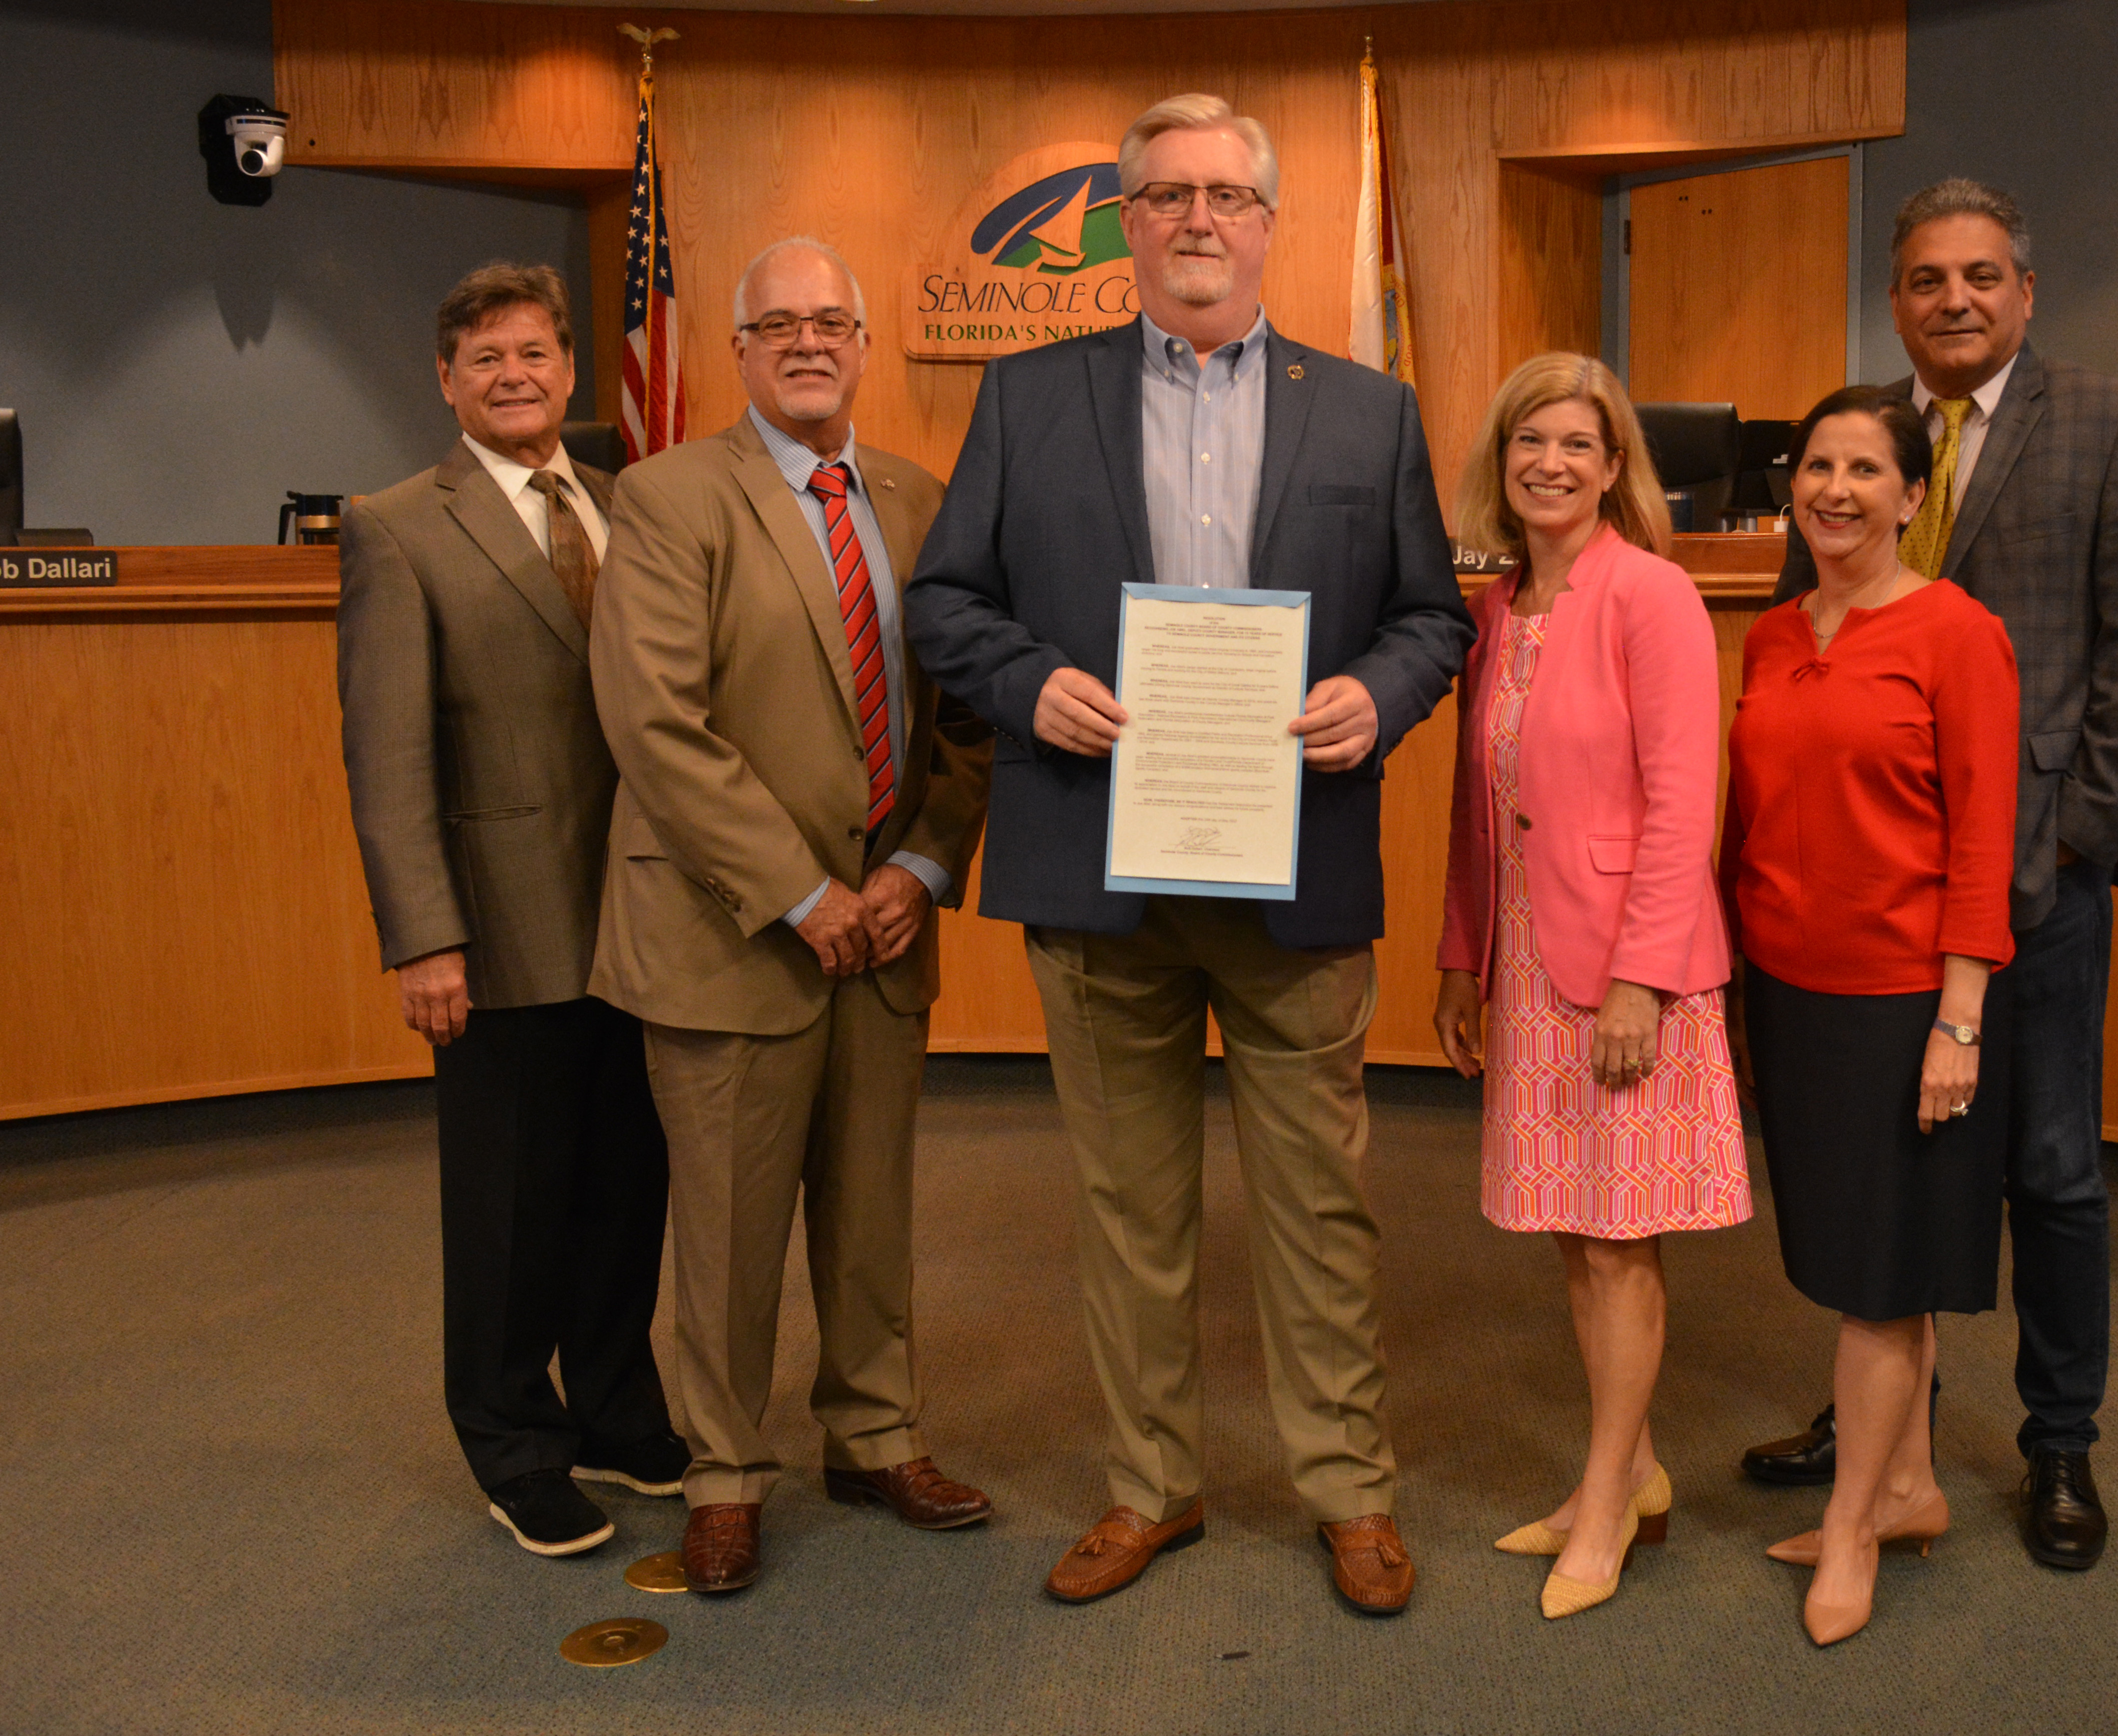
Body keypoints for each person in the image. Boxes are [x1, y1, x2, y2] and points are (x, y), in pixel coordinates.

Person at [907, 94, 1472, 1614]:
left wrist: (1382, 692)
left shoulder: (1370, 411)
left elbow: (1435, 616)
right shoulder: (1030, 399)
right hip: (1098, 868)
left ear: (1271, 225)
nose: (1199, 219)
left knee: (1320, 1209)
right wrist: (1030, 686)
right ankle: (1149, 1488)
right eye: (1166, 196)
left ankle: (1349, 1494)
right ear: (1129, 226)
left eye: (1227, 194)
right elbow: (944, 601)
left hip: (1297, 869)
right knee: (1130, 1211)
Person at [1742, 179, 2118, 1572]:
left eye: (1983, 276)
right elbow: (1808, 618)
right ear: (1898, 299)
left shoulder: (2116, 421)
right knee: (1894, 1161)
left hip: (2038, 888)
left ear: (2025, 290)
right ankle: (1882, 1429)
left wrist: (2062, 848)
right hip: (1879, 897)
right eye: (1929, 279)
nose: (1956, 299)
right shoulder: (1860, 438)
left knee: (2051, 1167)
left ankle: (2059, 1439)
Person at [588, 236, 996, 1594]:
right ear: (741, 352)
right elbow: (657, 724)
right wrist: (799, 889)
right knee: (728, 1234)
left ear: (865, 345)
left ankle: (874, 1435)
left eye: (834, 321)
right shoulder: (666, 497)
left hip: (885, 932)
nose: (810, 342)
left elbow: (964, 724)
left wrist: (918, 873)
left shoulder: (921, 499)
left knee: (873, 1214)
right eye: (782, 325)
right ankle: (723, 1473)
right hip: (732, 934)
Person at [337, 262, 686, 1558]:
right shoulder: (395, 525)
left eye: (534, 353)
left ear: (569, 372)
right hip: (497, 932)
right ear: (446, 380)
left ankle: (610, 1408)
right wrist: (424, 934)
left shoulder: (621, 506)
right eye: (485, 359)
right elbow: (384, 752)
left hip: (642, 923)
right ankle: (511, 1438)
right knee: (509, 1204)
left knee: (624, 1183)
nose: (514, 376)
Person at [1432, 354, 1749, 1620]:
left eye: (1577, 444)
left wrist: (1639, 979)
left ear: (1616, 465)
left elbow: (1686, 804)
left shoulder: (1651, 592)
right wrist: (1462, 955)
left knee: (1622, 1248)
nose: (1551, 464)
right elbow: (1479, 804)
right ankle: (1636, 1467)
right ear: (1500, 463)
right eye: (1529, 443)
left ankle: (1607, 1493)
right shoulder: (1500, 606)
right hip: (1526, 961)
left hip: (1629, 974)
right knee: (1578, 1238)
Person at [1725, 386, 2019, 1644]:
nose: (1834, 489)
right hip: (1789, 991)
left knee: (1882, 1281)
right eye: (1816, 467)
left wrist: (1959, 1020)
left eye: (1864, 469)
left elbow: (1984, 837)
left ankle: (1851, 1528)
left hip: (1906, 1004)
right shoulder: (1776, 633)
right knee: (1856, 1258)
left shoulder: (1957, 632)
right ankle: (1906, 1484)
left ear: (1914, 495)